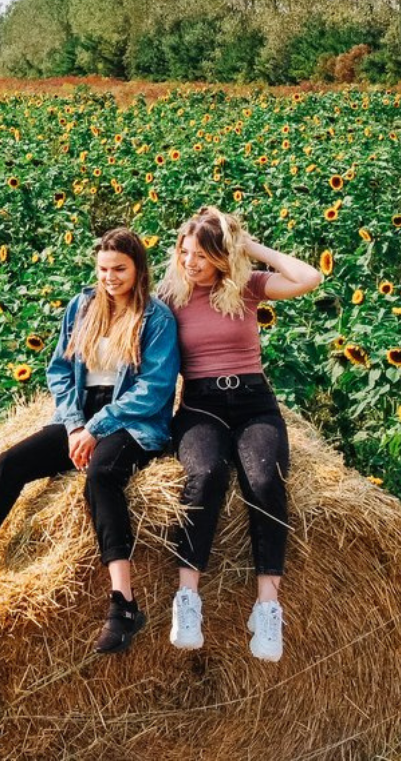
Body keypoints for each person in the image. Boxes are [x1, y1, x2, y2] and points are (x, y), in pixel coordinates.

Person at [0, 227, 179, 654]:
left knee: (102, 477)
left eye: (120, 269)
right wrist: (73, 425)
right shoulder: (82, 306)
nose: (111, 277)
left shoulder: (156, 318)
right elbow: (59, 370)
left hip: (133, 421)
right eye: (104, 268)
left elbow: (154, 389)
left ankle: (124, 603)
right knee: (9, 462)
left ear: (138, 269)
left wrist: (97, 427)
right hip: (81, 415)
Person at [156, 206, 321, 662]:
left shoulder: (247, 288)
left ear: (221, 257)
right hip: (199, 406)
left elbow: (309, 279)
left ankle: (267, 605)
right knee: (205, 475)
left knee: (266, 481)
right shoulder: (170, 295)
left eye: (202, 255)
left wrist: (249, 247)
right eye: (184, 252)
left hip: (253, 403)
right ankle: (187, 598)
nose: (191, 262)